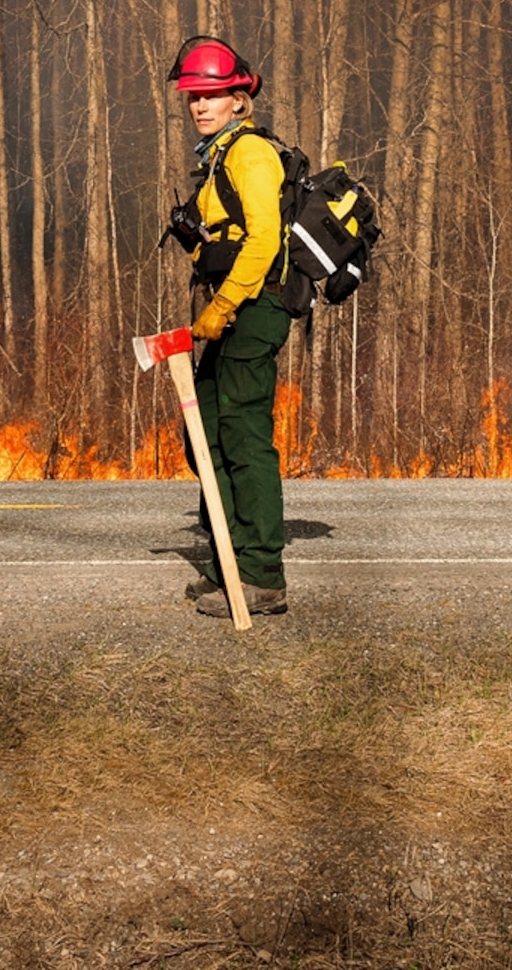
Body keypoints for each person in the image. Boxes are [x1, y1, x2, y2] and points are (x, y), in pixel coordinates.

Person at [165, 33, 292, 618]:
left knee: (243, 439)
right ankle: (228, 564)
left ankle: (262, 575)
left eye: (212, 96)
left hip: (252, 309)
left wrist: (221, 308)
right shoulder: (216, 157)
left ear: (239, 98)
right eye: (194, 96)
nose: (200, 106)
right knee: (208, 436)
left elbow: (264, 241)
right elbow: (231, 238)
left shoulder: (250, 154)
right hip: (227, 309)